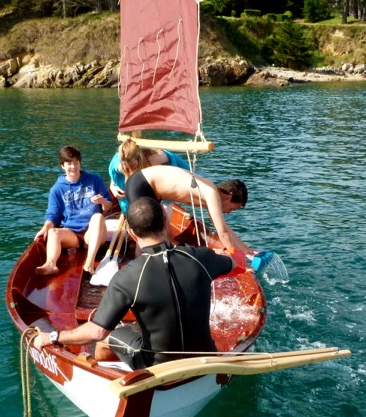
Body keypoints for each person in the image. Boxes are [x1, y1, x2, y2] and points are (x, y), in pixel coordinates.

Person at [31, 197, 245, 368]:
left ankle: (107, 374)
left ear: (132, 233)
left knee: (108, 337)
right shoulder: (200, 257)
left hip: (158, 365)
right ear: (165, 222)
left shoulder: (127, 277)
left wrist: (54, 336)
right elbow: (236, 262)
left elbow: (97, 332)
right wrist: (220, 253)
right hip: (204, 357)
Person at [124, 165, 254, 255]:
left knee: (169, 235)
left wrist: (247, 250)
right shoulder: (211, 193)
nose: (229, 212)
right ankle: (140, 262)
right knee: (149, 235)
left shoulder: (211, 192)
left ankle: (169, 259)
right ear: (228, 197)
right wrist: (236, 258)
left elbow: (224, 228)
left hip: (149, 188)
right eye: (232, 208)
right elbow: (223, 233)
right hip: (141, 184)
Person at [34, 145, 113, 276]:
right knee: (53, 232)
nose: (73, 167)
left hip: (93, 233)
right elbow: (53, 215)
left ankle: (89, 263)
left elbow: (109, 207)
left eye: (76, 163)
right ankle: (50, 264)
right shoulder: (57, 189)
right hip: (72, 234)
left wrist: (103, 202)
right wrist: (45, 228)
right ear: (62, 166)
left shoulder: (94, 180)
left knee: (98, 217)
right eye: (69, 163)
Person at [107, 139, 190, 213]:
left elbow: (188, 172)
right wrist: (113, 185)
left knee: (165, 207)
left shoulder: (157, 159)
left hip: (156, 198)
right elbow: (114, 172)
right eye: (129, 169)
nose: (133, 172)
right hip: (129, 208)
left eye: (135, 167)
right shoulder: (117, 166)